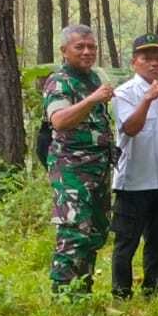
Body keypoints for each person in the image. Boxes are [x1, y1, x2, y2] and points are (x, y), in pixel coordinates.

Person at [42, 24, 114, 295]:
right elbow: (59, 120)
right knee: (74, 233)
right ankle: (64, 298)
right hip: (72, 170)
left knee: (94, 233)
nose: (87, 52)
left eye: (91, 47)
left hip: (98, 169)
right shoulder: (59, 81)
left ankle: (82, 292)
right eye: (79, 47)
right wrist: (93, 100)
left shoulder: (93, 79)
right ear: (64, 51)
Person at [109, 35, 158, 298]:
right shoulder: (124, 93)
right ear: (134, 62)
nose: (154, 63)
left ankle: (154, 287)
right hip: (133, 182)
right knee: (127, 241)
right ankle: (121, 291)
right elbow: (131, 128)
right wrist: (147, 99)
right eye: (146, 58)